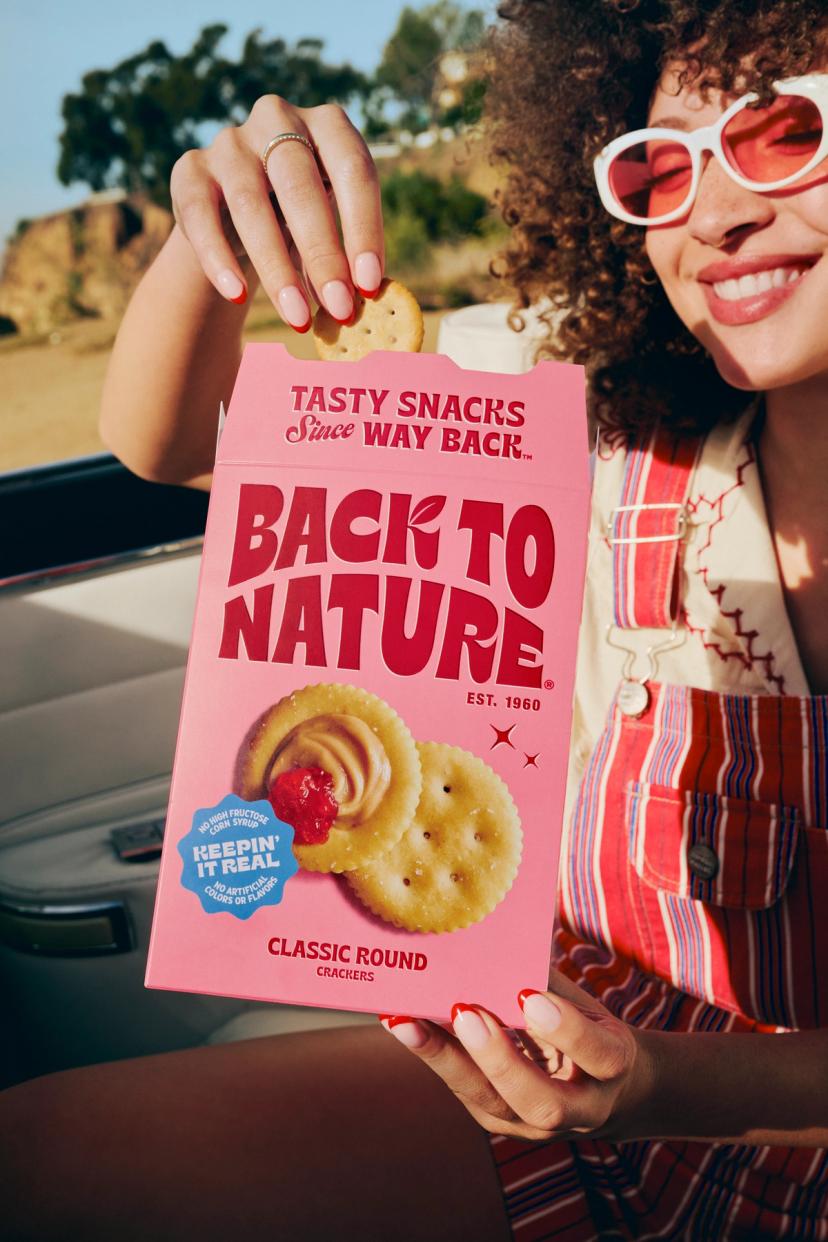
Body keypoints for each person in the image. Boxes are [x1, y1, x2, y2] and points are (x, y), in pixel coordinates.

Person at [3, 1, 828, 1237]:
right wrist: (219, 230)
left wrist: (656, 1090)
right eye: (659, 165)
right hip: (563, 1077)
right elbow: (163, 441)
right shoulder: (589, 427)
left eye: (784, 134)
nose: (714, 211)